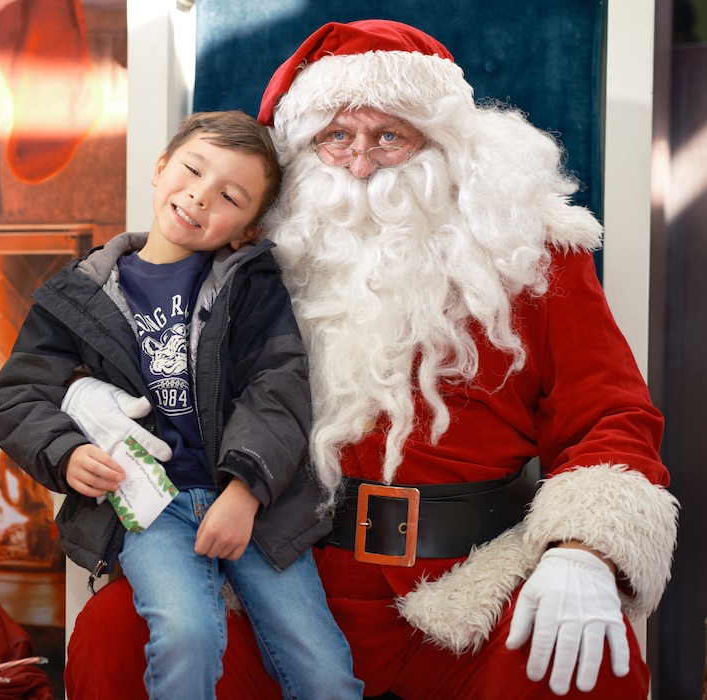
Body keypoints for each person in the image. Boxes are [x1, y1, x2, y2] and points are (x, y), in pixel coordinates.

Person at [60, 19, 681, 700]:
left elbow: (610, 416)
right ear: (301, 152)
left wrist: (585, 552)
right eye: (335, 138)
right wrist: (84, 399)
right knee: (120, 633)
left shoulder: (530, 257)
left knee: (590, 656)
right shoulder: (238, 269)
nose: (359, 165)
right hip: (279, 573)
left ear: (441, 143)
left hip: (463, 591)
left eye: (388, 136)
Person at [0, 110, 363, 700]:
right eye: (192, 170)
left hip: (256, 506)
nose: (199, 196)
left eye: (229, 196)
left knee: (323, 670)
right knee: (185, 636)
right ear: (161, 169)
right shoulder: (80, 293)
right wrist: (66, 454)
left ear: (246, 229)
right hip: (151, 508)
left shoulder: (251, 285)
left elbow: (278, 388)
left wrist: (244, 492)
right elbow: (18, 393)